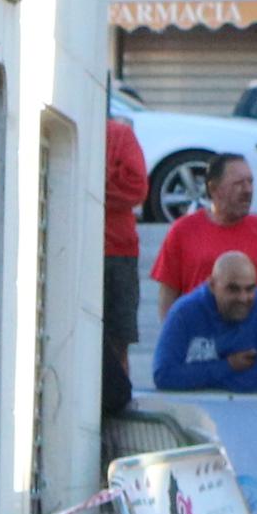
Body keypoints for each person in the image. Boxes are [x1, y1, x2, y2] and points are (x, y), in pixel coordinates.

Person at [149, 154, 257, 312]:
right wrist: (172, 333)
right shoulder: (182, 230)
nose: (248, 190)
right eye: (238, 184)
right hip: (198, 331)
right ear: (213, 188)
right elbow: (168, 294)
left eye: (250, 182)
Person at [150, 251, 257, 393]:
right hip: (196, 410)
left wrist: (196, 378)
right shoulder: (183, 313)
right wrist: (228, 365)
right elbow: (164, 375)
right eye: (233, 289)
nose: (242, 298)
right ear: (212, 285)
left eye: (250, 289)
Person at [102, 108, 148, 423]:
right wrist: (107, 177)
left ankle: (119, 411)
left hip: (119, 251)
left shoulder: (120, 134)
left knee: (119, 338)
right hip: (80, 246)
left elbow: (136, 189)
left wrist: (93, 183)